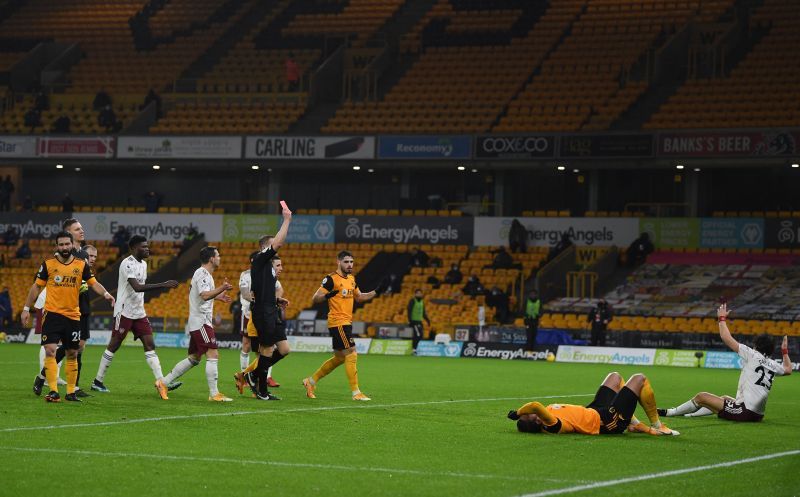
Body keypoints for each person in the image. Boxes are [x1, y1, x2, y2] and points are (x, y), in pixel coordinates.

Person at [21, 231, 115, 402]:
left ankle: (71, 392)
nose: (64, 247)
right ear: (57, 246)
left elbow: (94, 283)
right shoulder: (48, 264)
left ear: (72, 245)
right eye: (61, 244)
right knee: (50, 351)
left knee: (72, 353)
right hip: (52, 315)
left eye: (67, 244)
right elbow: (36, 287)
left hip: (72, 316)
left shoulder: (81, 265)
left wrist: (107, 294)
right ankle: (54, 391)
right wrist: (26, 308)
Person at [659, 303, 792, 422]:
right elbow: (788, 369)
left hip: (744, 412)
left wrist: (721, 319)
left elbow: (726, 337)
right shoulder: (773, 365)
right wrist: (784, 351)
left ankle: (671, 412)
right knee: (725, 398)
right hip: (758, 414)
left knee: (701, 397)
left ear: (756, 346)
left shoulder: (752, 354)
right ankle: (690, 415)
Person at [90, 236, 179, 398]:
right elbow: (137, 287)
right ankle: (98, 381)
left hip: (139, 312)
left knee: (150, 344)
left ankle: (161, 382)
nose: (147, 249)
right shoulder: (127, 263)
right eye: (143, 247)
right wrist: (163, 284)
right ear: (133, 248)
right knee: (114, 345)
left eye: (147, 246)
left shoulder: (144, 264)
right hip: (124, 311)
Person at [303, 250, 378, 401]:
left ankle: (310, 382)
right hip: (338, 322)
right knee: (351, 352)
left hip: (346, 322)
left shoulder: (351, 279)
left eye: (351, 262)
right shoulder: (331, 279)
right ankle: (356, 392)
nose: (350, 265)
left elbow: (359, 297)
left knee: (339, 357)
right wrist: (327, 295)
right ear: (338, 262)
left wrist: (377, 291)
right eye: (346, 262)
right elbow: (315, 298)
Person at [161, 246, 233, 401]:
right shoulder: (202, 273)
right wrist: (222, 288)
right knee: (213, 354)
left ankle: (163, 382)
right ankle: (214, 394)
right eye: (218, 255)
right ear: (212, 259)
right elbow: (204, 295)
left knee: (194, 358)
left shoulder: (205, 274)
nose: (220, 258)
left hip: (199, 321)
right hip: (201, 322)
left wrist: (218, 296)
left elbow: (202, 296)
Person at [508, 371, 679, 436]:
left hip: (595, 410)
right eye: (530, 415)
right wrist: (517, 413)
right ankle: (657, 425)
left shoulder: (545, 416)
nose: (532, 412)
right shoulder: (551, 425)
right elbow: (535, 405)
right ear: (536, 420)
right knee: (640, 379)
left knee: (615, 377)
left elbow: (535, 408)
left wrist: (522, 414)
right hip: (608, 421)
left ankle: (634, 424)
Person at [32, 218, 92, 397]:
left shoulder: (84, 254)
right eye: (77, 229)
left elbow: (88, 279)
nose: (82, 231)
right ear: (68, 233)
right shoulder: (59, 256)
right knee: (55, 346)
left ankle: (71, 386)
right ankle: (47, 378)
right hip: (57, 306)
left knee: (78, 347)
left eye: (82, 228)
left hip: (79, 304)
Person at [248, 204, 293, 401]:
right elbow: (279, 242)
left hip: (271, 309)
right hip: (262, 312)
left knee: (283, 350)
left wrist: (276, 299)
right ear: (266, 247)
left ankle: (253, 374)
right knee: (266, 349)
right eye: (272, 244)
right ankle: (262, 391)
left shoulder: (269, 269)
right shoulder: (259, 260)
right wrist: (287, 220)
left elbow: (262, 289)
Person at [236, 255, 285, 394]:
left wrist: (274, 299)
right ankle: (248, 377)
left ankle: (255, 376)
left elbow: (279, 288)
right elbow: (245, 292)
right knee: (254, 347)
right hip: (249, 313)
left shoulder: (269, 275)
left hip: (266, 314)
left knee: (268, 349)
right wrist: (256, 300)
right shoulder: (246, 275)